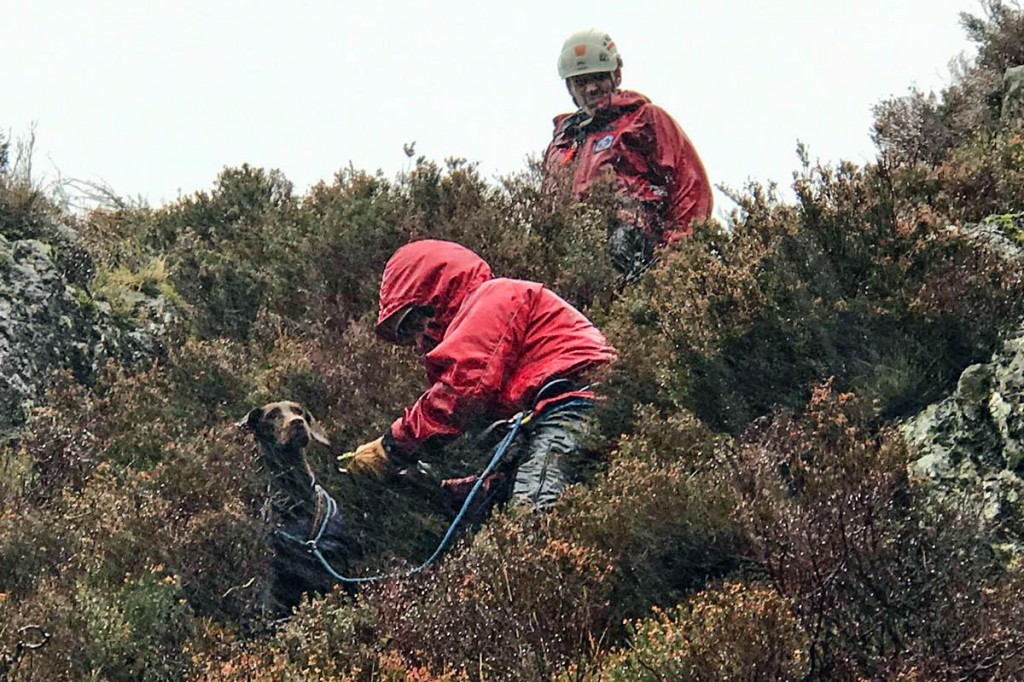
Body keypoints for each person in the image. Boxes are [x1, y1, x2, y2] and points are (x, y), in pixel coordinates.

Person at [345, 240, 617, 510]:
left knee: (532, 517)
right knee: (507, 508)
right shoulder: (490, 310)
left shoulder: (493, 296)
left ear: (435, 293)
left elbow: (464, 390)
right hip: (568, 412)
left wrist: (391, 447)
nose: (416, 341)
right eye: (405, 336)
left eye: (410, 324)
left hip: (574, 405)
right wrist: (442, 490)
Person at [544, 29, 713, 280]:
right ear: (569, 86)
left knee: (622, 243)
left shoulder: (645, 119)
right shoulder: (561, 143)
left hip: (637, 246)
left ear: (616, 74)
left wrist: (676, 255)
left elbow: (690, 186)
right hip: (574, 260)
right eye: (581, 81)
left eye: (598, 77)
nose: (591, 88)